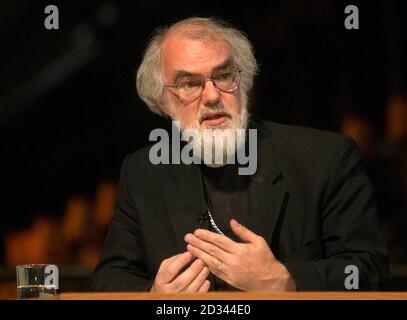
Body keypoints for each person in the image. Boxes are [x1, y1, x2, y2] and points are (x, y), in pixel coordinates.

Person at [89, 17, 390, 292]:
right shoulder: (143, 173)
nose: (211, 96)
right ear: (164, 101)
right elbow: (108, 279)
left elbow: (370, 272)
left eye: (223, 76)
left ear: (244, 83)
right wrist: (153, 295)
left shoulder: (325, 158)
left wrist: (286, 281)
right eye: (189, 84)